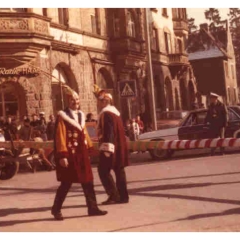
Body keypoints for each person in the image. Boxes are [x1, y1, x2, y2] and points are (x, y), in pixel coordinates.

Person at [51, 85, 107, 221]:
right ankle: (56, 209)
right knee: (66, 184)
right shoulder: (62, 116)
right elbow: (60, 137)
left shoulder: (81, 115)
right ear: (68, 101)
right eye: (72, 100)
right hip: (69, 155)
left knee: (88, 182)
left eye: (77, 100)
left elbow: (84, 133)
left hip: (82, 154)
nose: (75, 103)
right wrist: (62, 155)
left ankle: (92, 208)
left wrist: (89, 147)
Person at [93, 84, 129, 205]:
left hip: (110, 148)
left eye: (99, 101)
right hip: (119, 146)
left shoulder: (107, 113)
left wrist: (107, 150)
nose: (98, 103)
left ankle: (114, 195)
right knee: (119, 170)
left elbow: (109, 132)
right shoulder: (115, 113)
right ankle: (123, 197)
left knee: (102, 170)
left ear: (105, 101)